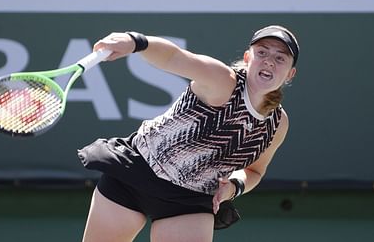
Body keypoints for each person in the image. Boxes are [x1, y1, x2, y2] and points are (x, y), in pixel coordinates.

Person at [78, 25, 299, 242]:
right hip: (137, 170)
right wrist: (136, 42)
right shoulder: (222, 80)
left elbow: (254, 171)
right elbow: (174, 57)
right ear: (248, 58)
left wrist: (233, 187)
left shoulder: (278, 124)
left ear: (290, 74)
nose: (269, 61)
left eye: (280, 58)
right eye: (262, 52)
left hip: (190, 200)